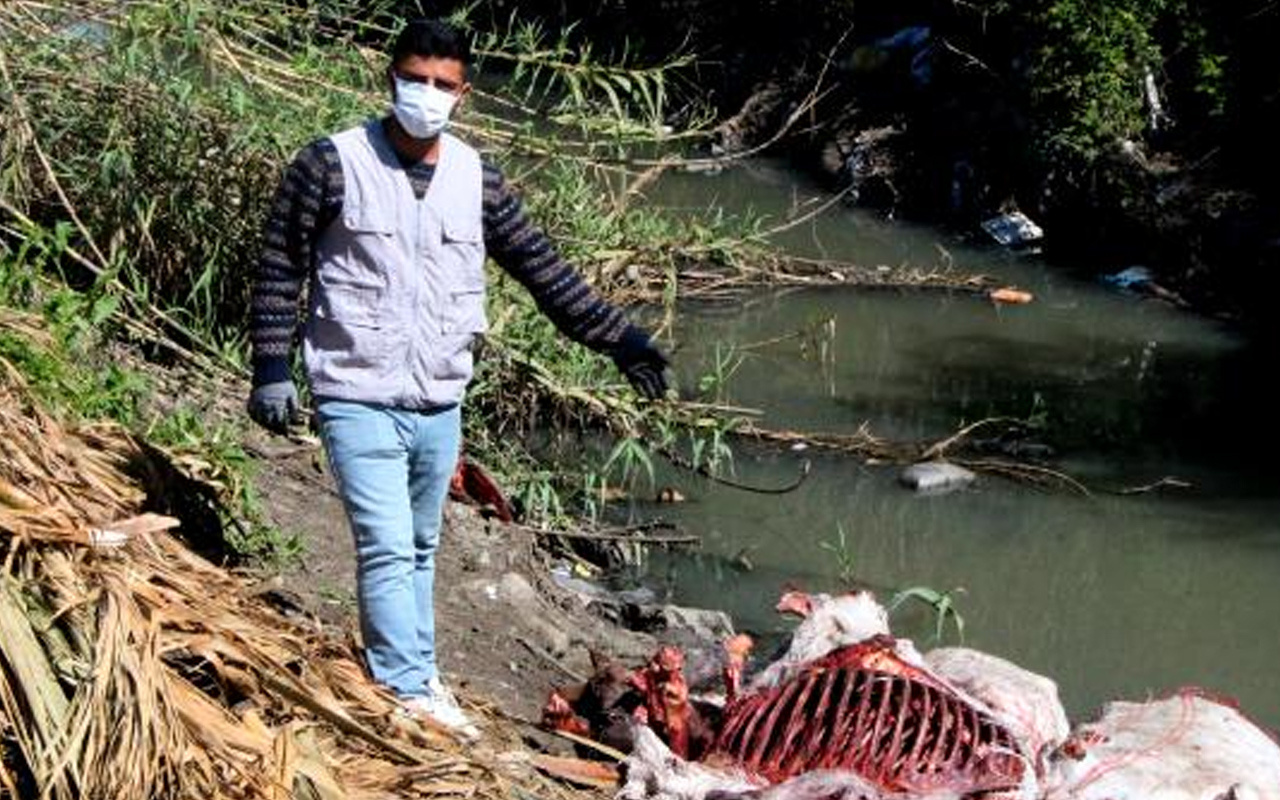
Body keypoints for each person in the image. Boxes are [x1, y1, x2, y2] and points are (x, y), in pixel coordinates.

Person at [246, 18, 669, 739]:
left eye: (443, 85)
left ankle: (415, 669)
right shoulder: (330, 164)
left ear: (463, 93)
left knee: (419, 545)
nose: (427, 95)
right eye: (415, 79)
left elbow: (544, 271)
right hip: (355, 388)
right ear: (390, 79)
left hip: (439, 396)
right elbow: (281, 263)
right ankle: (407, 690)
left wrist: (618, 338)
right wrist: (271, 368)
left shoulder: (478, 179)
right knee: (383, 543)